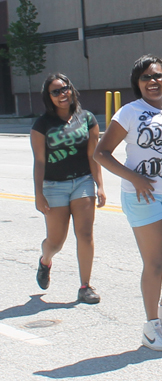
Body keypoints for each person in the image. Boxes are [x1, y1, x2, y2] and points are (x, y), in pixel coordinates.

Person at [94, 54, 162, 352]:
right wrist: (134, 177)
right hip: (142, 195)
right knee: (154, 262)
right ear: (137, 83)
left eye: (159, 76)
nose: (153, 81)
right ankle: (151, 328)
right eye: (146, 77)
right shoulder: (128, 112)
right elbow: (101, 153)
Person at [30, 73, 106, 304]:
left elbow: (94, 155)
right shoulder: (42, 125)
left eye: (65, 89)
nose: (62, 94)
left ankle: (85, 286)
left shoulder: (87, 119)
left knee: (85, 234)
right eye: (56, 92)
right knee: (56, 242)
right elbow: (40, 161)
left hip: (82, 182)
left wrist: (100, 185)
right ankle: (45, 260)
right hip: (53, 186)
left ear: (71, 90)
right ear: (49, 97)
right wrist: (39, 194)